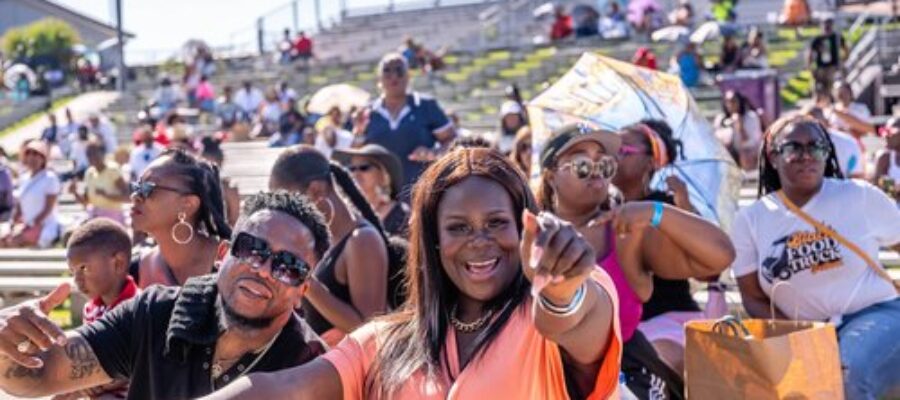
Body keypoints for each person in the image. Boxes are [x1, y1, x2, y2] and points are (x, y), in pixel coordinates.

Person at [202, 147, 623, 400]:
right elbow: (284, 389)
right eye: (458, 227)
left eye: (497, 223)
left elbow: (574, 320)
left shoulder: (552, 310)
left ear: (524, 225)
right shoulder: (388, 341)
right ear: (434, 243)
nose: (480, 240)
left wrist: (561, 289)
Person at [0, 192, 329, 399]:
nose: (263, 269)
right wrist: (7, 347)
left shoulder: (311, 364)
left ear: (303, 291)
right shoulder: (155, 313)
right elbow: (37, 375)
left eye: (288, 267)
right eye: (252, 249)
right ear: (223, 253)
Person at [536, 123, 735, 399]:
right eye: (582, 165)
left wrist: (655, 211)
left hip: (625, 377)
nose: (596, 173)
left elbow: (720, 255)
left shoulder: (625, 234)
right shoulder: (529, 236)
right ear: (551, 176)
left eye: (604, 166)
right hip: (544, 378)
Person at [732, 115, 900, 400]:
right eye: (793, 148)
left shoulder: (858, 196)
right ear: (774, 157)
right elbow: (753, 297)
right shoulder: (750, 220)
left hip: (876, 314)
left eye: (816, 147)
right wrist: (798, 336)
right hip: (807, 332)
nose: (806, 155)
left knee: (844, 372)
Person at [612, 120, 724, 376]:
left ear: (651, 162)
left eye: (624, 150)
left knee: (655, 362)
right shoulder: (600, 208)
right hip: (623, 328)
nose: (614, 156)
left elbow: (707, 269)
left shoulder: (665, 207)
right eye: (612, 148)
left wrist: (683, 204)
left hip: (668, 322)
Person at [269, 145, 391, 346]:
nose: (285, 212)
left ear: (317, 190)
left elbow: (370, 330)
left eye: (289, 202)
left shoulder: (362, 240)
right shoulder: (321, 239)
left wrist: (305, 280)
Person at [352, 53, 455, 197]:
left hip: (421, 194)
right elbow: (356, 158)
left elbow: (452, 141)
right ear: (379, 78)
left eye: (399, 70)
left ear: (408, 76)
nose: (394, 76)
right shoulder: (367, 113)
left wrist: (434, 154)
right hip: (379, 199)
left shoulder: (426, 106)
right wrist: (358, 132)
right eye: (387, 71)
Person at [130, 149, 232, 287]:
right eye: (137, 186)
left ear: (188, 205)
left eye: (148, 188)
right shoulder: (136, 268)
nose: (135, 196)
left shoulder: (230, 264)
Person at [61, 218, 138, 399]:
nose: (77, 280)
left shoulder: (137, 307)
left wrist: (95, 382)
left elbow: (139, 364)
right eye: (73, 272)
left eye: (84, 268)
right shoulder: (91, 309)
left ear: (118, 263)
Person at [334, 144, 410, 237]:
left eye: (364, 168)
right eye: (352, 169)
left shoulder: (402, 216)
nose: (356, 174)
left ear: (384, 175)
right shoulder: (347, 214)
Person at [1, 141, 60, 248]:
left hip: (43, 225)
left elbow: (48, 209)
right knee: (3, 239)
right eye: (28, 154)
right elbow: (19, 207)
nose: (32, 158)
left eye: (36, 154)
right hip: (27, 225)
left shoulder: (50, 178)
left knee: (13, 241)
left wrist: (31, 224)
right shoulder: (24, 178)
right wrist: (13, 224)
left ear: (43, 158)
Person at [72, 141, 129, 224]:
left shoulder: (113, 170)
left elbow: (126, 197)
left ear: (102, 153)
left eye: (94, 153)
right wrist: (74, 192)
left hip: (113, 219)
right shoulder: (89, 173)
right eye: (89, 154)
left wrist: (106, 195)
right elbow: (86, 202)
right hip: (94, 218)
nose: (92, 157)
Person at [804, 106, 865, 178]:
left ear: (826, 122)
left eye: (817, 124)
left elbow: (857, 177)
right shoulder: (797, 146)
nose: (813, 129)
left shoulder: (848, 143)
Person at [714, 90, 764, 171]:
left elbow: (753, 142)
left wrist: (740, 127)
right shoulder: (720, 119)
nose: (730, 105)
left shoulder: (751, 117)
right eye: (727, 102)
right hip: (728, 155)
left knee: (745, 154)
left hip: (749, 155)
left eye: (733, 101)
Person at [200, 135, 241, 228]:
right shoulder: (230, 188)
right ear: (221, 161)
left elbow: (235, 221)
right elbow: (235, 221)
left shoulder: (230, 188)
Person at [807, 18, 847, 92]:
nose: (827, 27)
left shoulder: (836, 38)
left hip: (833, 67)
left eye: (829, 25)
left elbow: (845, 49)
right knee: (819, 87)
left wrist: (843, 60)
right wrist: (810, 67)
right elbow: (810, 53)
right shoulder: (818, 39)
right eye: (825, 25)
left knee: (832, 86)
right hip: (821, 67)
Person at [874, 117, 900, 201]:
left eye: (891, 132)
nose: (885, 136)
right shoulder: (884, 157)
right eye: (884, 131)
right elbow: (878, 188)